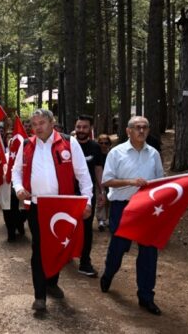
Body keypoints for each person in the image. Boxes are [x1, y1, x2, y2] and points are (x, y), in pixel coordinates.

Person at [11, 109, 93, 311]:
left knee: (59, 246)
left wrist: (88, 201)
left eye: (42, 123)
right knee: (38, 249)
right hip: (38, 206)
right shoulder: (26, 144)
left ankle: (51, 282)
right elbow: (15, 172)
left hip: (63, 207)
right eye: (34, 123)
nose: (37, 127)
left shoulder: (68, 143)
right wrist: (19, 188)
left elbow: (83, 175)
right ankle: (40, 296)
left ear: (52, 122)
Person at [100, 116, 165, 316]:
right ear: (128, 131)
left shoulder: (153, 154)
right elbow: (107, 181)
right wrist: (130, 182)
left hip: (147, 209)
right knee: (118, 248)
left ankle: (146, 296)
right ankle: (109, 274)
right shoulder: (116, 153)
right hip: (123, 207)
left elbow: (160, 182)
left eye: (145, 127)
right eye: (137, 127)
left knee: (149, 252)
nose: (141, 131)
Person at [73, 114, 105, 278]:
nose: (81, 130)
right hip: (67, 194)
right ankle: (64, 256)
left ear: (90, 129)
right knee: (67, 226)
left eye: (85, 127)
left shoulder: (95, 147)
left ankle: (85, 262)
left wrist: (101, 191)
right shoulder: (67, 145)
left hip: (87, 195)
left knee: (86, 229)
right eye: (78, 127)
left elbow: (98, 170)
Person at [95, 133, 113, 231]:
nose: (103, 145)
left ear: (109, 144)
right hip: (98, 179)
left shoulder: (112, 154)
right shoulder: (97, 154)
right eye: (101, 143)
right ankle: (101, 220)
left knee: (111, 198)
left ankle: (109, 219)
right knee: (100, 197)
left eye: (106, 143)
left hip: (111, 179)